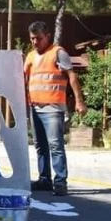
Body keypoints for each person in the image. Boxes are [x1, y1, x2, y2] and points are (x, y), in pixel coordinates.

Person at [24, 21, 86, 196]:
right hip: (35, 108)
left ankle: (60, 182)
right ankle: (44, 180)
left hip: (53, 108)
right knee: (40, 146)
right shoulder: (30, 56)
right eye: (32, 38)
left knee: (55, 145)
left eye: (39, 38)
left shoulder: (58, 53)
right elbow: (23, 79)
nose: (35, 42)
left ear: (48, 36)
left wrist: (79, 101)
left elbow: (72, 77)